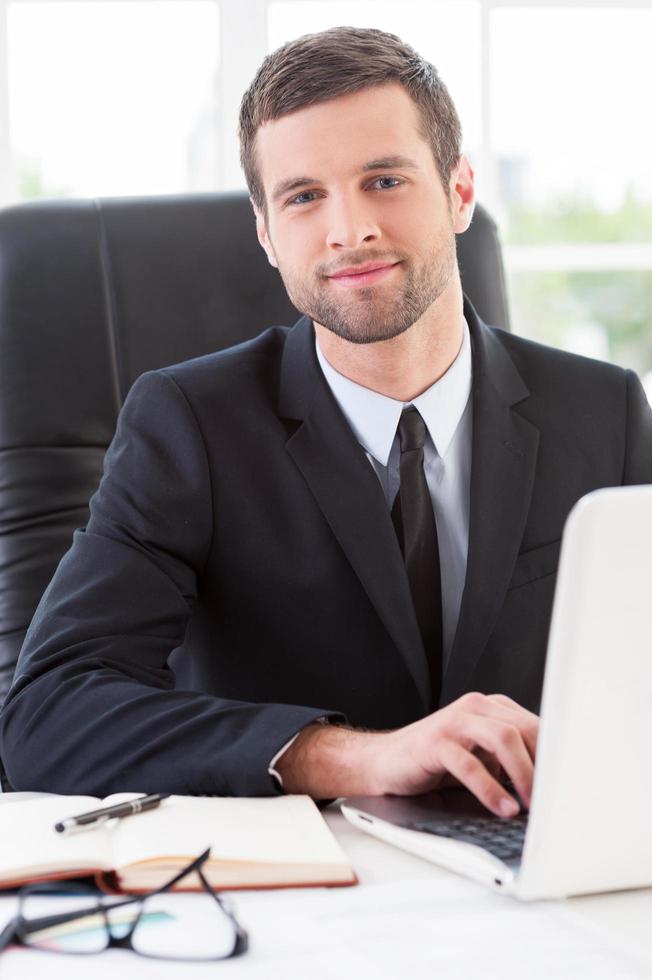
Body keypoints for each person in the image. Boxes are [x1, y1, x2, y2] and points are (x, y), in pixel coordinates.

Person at [1, 27, 651, 817]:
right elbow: (46, 717)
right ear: (267, 233)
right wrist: (354, 756)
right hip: (299, 893)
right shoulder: (191, 425)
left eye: (384, 179)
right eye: (305, 196)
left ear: (460, 191)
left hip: (534, 868)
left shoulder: (604, 409)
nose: (349, 231)